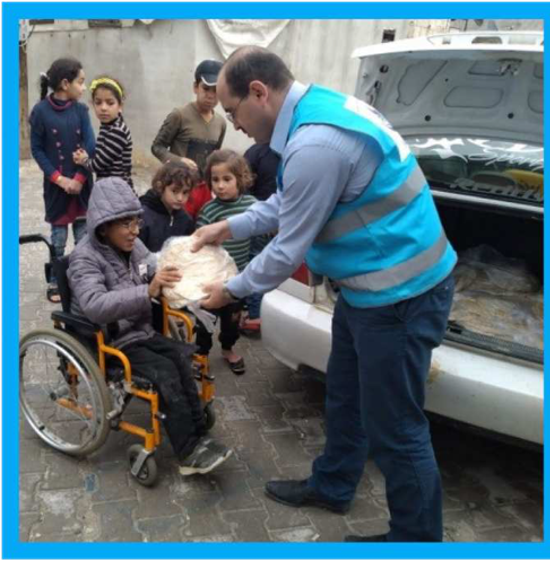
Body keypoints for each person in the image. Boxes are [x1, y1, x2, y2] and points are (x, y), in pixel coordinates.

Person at [192, 46, 458, 542]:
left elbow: (288, 243)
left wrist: (230, 290)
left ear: (259, 93)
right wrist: (227, 227)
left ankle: (416, 539)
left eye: (233, 111)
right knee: (346, 397)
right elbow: (287, 202)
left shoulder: (318, 144)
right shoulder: (318, 110)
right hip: (367, 292)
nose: (236, 124)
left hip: (399, 297)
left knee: (396, 430)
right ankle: (334, 485)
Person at [67, 176, 232, 476]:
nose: (134, 231)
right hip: (112, 342)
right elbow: (95, 305)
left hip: (141, 332)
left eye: (136, 223)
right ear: (104, 226)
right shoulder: (84, 259)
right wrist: (147, 291)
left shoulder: (134, 245)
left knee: (181, 359)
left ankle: (199, 436)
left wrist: (190, 271)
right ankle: (188, 452)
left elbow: (155, 267)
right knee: (165, 372)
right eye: (126, 224)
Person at [29, 57, 96, 303]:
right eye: (81, 82)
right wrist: (60, 179)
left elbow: (90, 144)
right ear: (65, 84)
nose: (84, 87)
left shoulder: (81, 110)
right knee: (58, 240)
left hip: (82, 186)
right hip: (57, 189)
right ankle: (56, 281)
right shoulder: (40, 112)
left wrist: (78, 178)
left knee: (82, 239)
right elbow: (37, 150)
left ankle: (80, 280)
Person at [195, 149, 256, 375]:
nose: (220, 185)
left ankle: (228, 348)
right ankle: (200, 353)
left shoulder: (251, 205)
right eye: (215, 180)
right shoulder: (209, 211)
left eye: (227, 179)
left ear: (240, 179)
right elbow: (199, 243)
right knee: (205, 320)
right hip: (211, 280)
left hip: (238, 280)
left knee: (232, 320)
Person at [151, 59, 227, 219]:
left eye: (216, 91)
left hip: (204, 191)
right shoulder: (179, 115)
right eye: (206, 89)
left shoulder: (221, 123)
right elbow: (157, 147)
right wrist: (178, 160)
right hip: (180, 190)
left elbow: (215, 157)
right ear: (195, 87)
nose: (211, 96)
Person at [241, 143, 280, 332]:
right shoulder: (258, 152)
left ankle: (256, 315)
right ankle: (256, 315)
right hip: (263, 223)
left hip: (265, 222)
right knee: (263, 268)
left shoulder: (257, 151)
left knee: (260, 268)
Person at [73, 76, 134, 191]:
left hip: (117, 192)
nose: (103, 108)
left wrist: (83, 160)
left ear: (120, 106)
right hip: (109, 189)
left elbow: (97, 165)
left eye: (110, 103)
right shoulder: (108, 127)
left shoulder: (117, 131)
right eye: (98, 103)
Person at [138, 161, 199, 253]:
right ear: (160, 187)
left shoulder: (186, 220)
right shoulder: (143, 216)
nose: (180, 198)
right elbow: (136, 255)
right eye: (174, 191)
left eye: (185, 192)